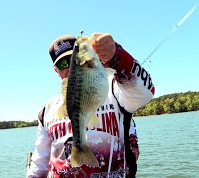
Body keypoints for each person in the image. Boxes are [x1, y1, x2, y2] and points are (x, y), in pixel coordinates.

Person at [27, 32, 155, 178]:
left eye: (72, 59)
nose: (70, 67)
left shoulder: (116, 89)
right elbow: (39, 165)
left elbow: (145, 93)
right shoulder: (46, 111)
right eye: (63, 64)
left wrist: (115, 56)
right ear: (57, 71)